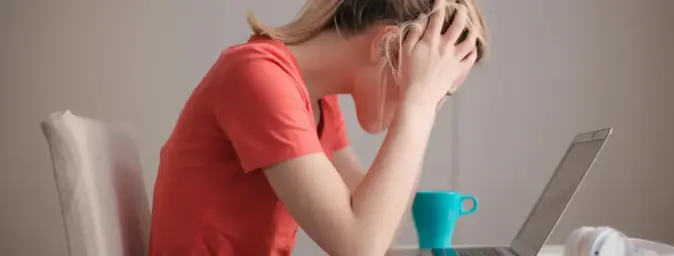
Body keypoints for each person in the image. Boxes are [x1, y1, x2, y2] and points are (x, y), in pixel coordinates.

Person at [149, 0, 489, 255]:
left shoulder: (316, 101)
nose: (430, 100)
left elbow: (378, 224)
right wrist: (418, 105)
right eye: (431, 82)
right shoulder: (257, 76)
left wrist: (421, 105)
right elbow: (359, 246)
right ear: (384, 46)